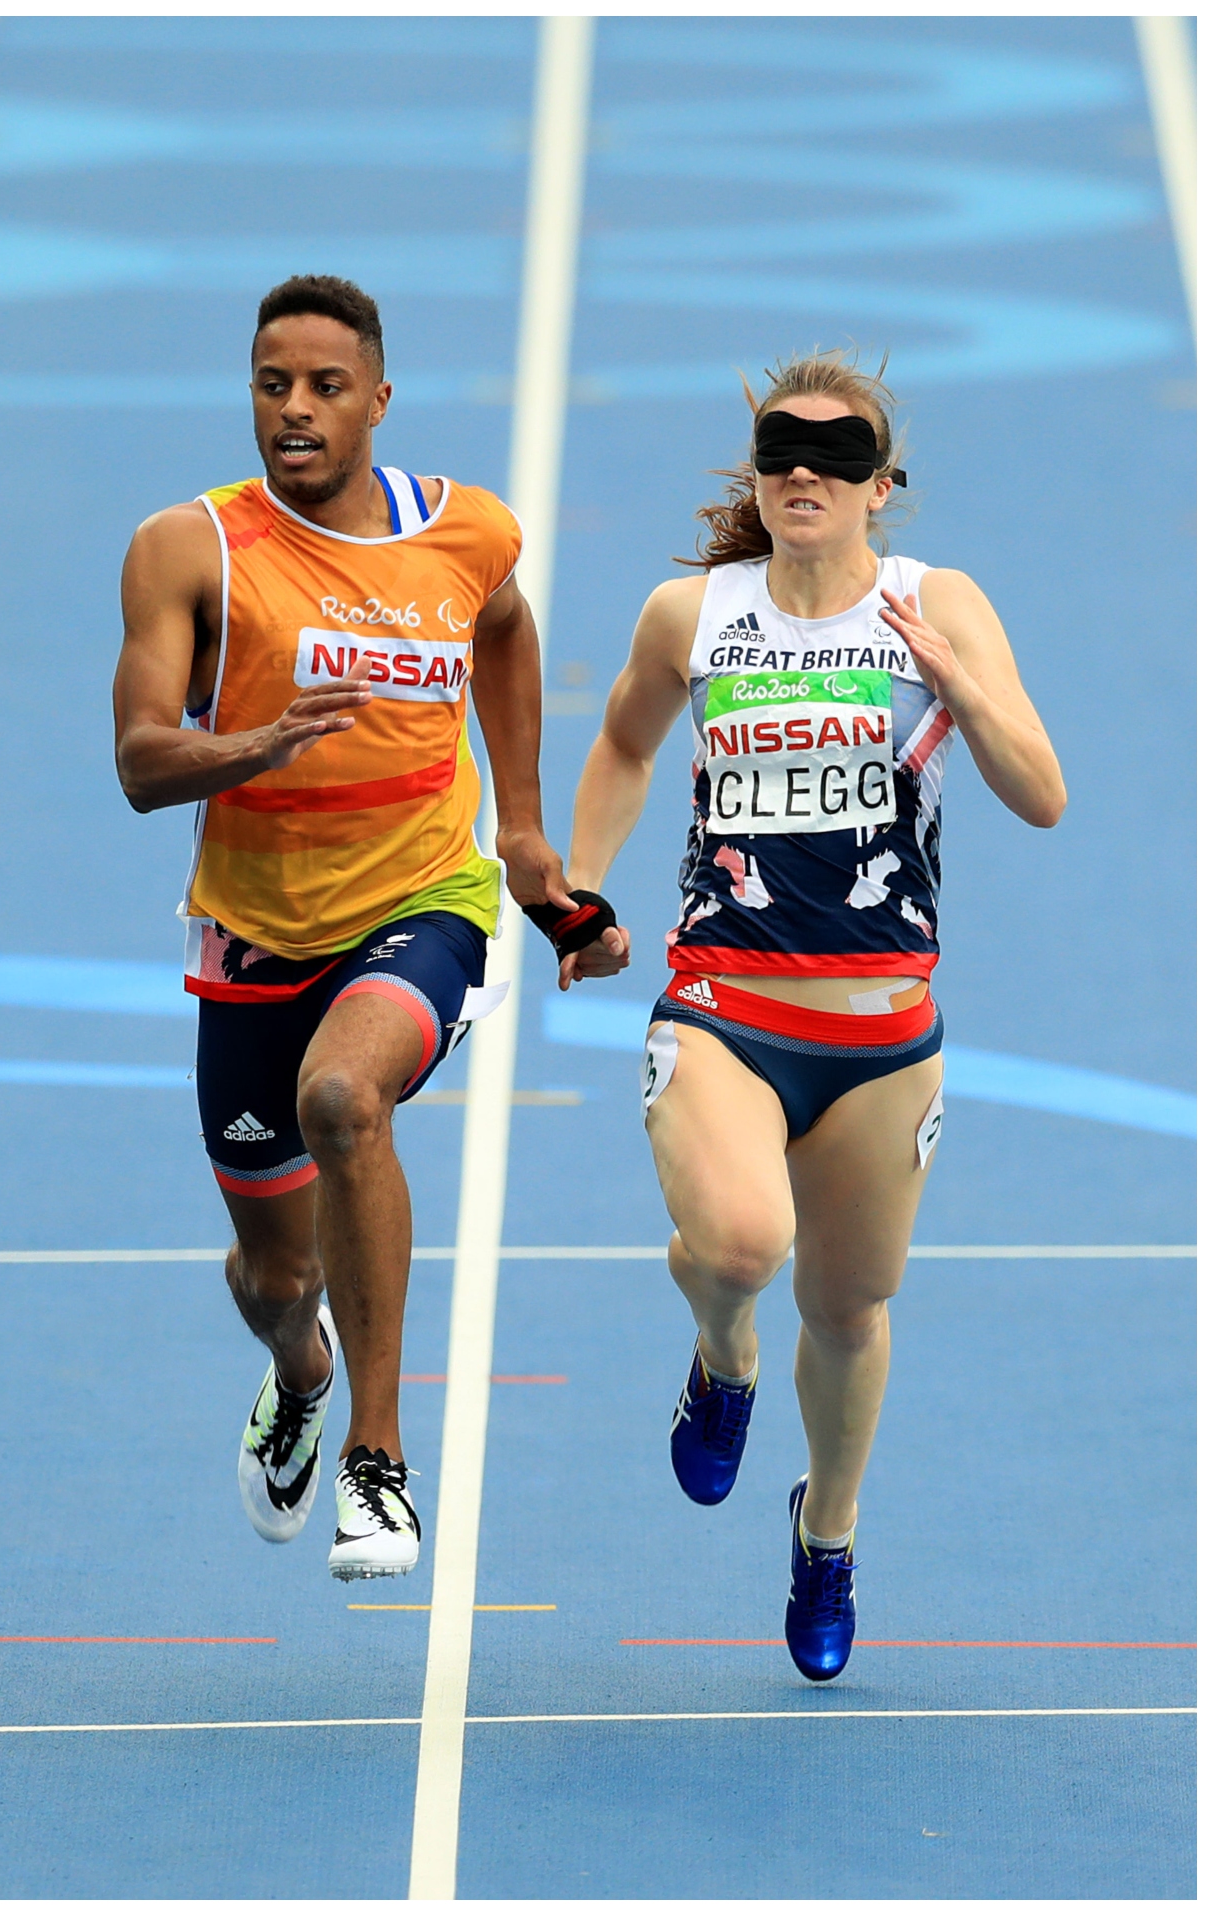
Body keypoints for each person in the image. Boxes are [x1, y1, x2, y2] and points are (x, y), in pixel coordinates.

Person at [109, 274, 615, 1580]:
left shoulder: (464, 533)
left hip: (418, 904)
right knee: (274, 1281)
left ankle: (378, 1468)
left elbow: (501, 626)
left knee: (346, 1101)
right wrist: (246, 747)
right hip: (252, 938)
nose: (294, 408)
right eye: (272, 383)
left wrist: (522, 828)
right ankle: (304, 1368)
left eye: (325, 386)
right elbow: (139, 762)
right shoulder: (192, 548)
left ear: (377, 400)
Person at [566, 351, 1061, 1680]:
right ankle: (723, 1365)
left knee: (849, 1307)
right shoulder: (695, 615)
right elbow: (622, 742)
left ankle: (825, 1537)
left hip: (884, 1032)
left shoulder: (935, 603)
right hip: (726, 1006)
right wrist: (575, 889)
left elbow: (1042, 791)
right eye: (784, 447)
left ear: (879, 489)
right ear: (757, 469)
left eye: (838, 458)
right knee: (738, 1247)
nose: (804, 471)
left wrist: (956, 684)